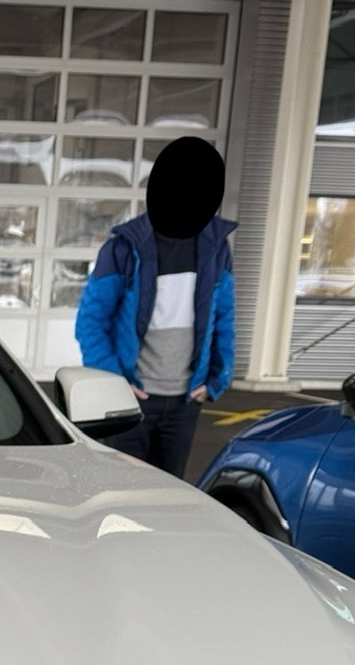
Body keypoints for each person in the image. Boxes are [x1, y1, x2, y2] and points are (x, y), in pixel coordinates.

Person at [75, 137, 236, 478]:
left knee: (169, 494)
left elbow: (225, 320)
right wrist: (116, 382)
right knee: (121, 488)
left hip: (185, 403)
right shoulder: (123, 248)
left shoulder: (216, 250)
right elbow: (91, 321)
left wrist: (217, 380)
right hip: (132, 398)